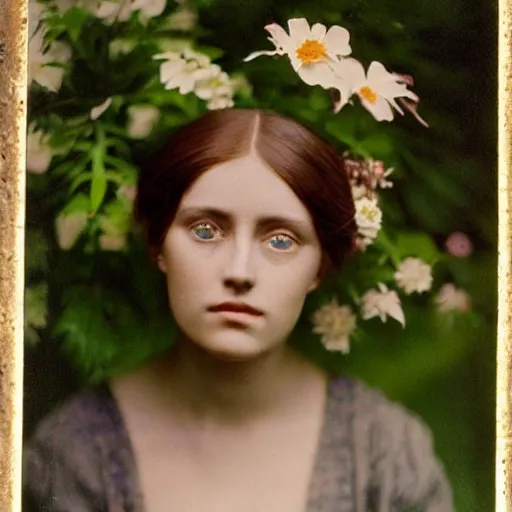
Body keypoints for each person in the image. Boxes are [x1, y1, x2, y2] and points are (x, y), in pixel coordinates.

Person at [23, 108, 453, 512]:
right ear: (158, 246)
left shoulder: (385, 456)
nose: (239, 272)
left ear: (319, 267)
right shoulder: (73, 457)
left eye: (281, 239)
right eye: (206, 230)